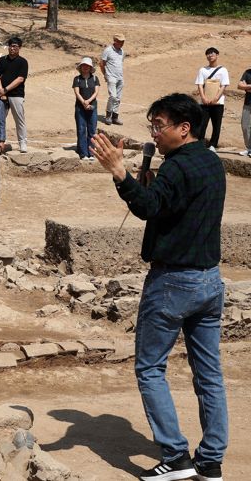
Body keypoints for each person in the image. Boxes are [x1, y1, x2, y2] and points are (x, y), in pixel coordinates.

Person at [90, 93, 227, 481]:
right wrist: (145, 181)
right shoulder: (211, 162)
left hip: (173, 282)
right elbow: (167, 205)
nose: (155, 132)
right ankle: (211, 460)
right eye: (152, 125)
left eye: (160, 125)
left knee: (150, 368)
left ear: (184, 128)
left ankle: (176, 457)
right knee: (209, 374)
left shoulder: (178, 168)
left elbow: (148, 208)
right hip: (210, 280)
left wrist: (120, 172)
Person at [0, 36, 29, 152]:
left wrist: (6, 89)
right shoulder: (1, 60)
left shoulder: (23, 62)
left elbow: (20, 79)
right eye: (10, 46)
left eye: (15, 46)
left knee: (19, 119)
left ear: (19, 48)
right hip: (0, 94)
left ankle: (22, 143)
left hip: (16, 94)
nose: (12, 48)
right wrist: (0, 89)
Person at [195, 47, 229, 152]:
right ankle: (200, 144)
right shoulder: (202, 70)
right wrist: (203, 98)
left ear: (217, 55)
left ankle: (213, 145)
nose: (210, 55)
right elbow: (200, 85)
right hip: (204, 103)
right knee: (202, 124)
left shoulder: (223, 70)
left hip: (218, 103)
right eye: (208, 54)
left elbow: (224, 85)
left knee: (216, 124)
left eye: (212, 53)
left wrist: (216, 98)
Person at [72, 57, 100, 160]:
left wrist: (88, 101)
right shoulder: (77, 79)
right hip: (80, 107)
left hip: (92, 106)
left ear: (90, 67)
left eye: (87, 66)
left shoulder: (95, 78)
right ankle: (83, 153)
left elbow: (96, 92)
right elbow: (77, 92)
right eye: (84, 65)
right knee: (81, 129)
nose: (85, 67)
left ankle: (91, 152)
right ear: (81, 67)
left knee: (92, 129)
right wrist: (84, 102)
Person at [100, 33, 125, 125]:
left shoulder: (122, 52)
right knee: (113, 96)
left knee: (118, 98)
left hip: (120, 77)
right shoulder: (108, 50)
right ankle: (108, 116)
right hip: (111, 77)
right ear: (115, 41)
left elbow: (120, 63)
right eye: (120, 41)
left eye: (123, 42)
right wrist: (105, 75)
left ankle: (115, 117)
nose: (122, 43)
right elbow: (102, 63)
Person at [238, 65, 251, 157]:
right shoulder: (247, 72)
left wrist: (246, 86)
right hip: (248, 103)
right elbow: (239, 85)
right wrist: (248, 86)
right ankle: (249, 148)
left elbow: (243, 85)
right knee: (244, 125)